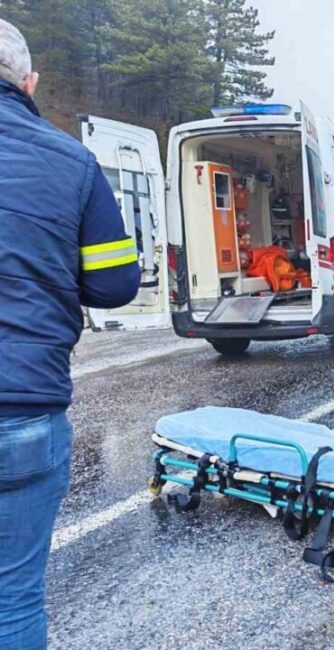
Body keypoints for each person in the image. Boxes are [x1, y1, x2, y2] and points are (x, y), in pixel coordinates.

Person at [0, 19, 140, 650]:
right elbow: (115, 285)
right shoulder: (72, 160)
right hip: (23, 410)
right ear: (30, 82)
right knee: (13, 598)